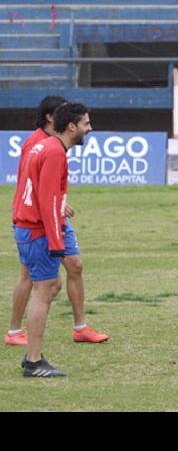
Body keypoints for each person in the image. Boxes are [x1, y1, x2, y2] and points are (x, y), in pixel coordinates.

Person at [5, 96, 109, 347]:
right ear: (52, 117)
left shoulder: (56, 144)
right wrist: (53, 205)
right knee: (35, 279)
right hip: (38, 219)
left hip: (52, 215)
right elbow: (29, 183)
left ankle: (80, 327)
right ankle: (15, 332)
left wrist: (57, 202)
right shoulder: (39, 144)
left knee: (75, 266)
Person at [13, 101, 93, 377]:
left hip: (28, 228)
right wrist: (56, 243)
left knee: (50, 285)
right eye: (85, 123)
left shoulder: (43, 146)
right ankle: (34, 361)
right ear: (71, 126)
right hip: (38, 231)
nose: (89, 128)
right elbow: (48, 201)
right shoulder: (55, 152)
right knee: (45, 290)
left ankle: (31, 356)